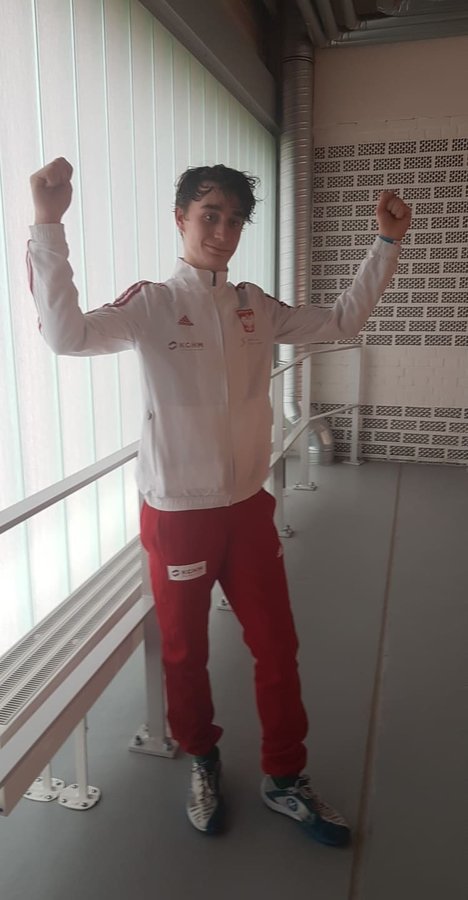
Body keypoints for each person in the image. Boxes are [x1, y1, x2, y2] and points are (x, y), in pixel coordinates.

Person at [28, 157, 411, 846]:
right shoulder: (150, 304)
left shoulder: (253, 306)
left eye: (234, 220)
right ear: (181, 219)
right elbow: (65, 336)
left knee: (277, 646)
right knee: (184, 653)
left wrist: (386, 243)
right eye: (210, 215)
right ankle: (202, 759)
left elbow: (342, 319)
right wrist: (48, 225)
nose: (222, 231)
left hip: (247, 508)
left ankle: (284, 776)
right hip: (177, 514)